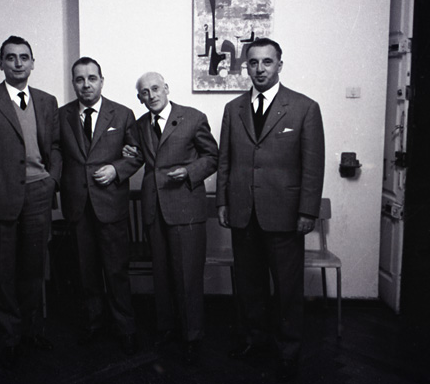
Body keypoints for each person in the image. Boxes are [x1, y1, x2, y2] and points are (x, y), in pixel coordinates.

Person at [216, 38, 325, 382]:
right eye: (253, 62)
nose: (260, 69)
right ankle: (255, 341)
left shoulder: (304, 107)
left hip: (285, 215)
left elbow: (313, 166)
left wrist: (307, 212)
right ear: (245, 67)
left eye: (267, 62)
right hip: (243, 212)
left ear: (279, 65)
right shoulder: (233, 109)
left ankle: (289, 351)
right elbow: (224, 160)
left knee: (287, 290)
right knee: (249, 286)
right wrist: (222, 202)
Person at [0, 35, 61, 370]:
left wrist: (51, 181)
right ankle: (10, 338)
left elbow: (56, 147)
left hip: (38, 196)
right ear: (1, 63)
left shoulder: (47, 101)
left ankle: (32, 331)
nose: (18, 63)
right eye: (11, 57)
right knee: (3, 272)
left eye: (24, 57)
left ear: (33, 63)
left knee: (34, 270)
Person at [123, 72, 219, 363]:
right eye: (144, 92)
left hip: (185, 208)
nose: (151, 95)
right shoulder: (140, 125)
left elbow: (212, 156)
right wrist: (128, 153)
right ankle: (166, 329)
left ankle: (192, 335)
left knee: (187, 276)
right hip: (154, 208)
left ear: (166, 89)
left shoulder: (193, 117)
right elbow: (138, 157)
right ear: (139, 98)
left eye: (155, 89)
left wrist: (189, 172)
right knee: (162, 275)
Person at [58, 57, 141, 355]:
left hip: (110, 204)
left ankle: (125, 327)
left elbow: (137, 154)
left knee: (116, 270)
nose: (86, 85)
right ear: (73, 83)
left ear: (102, 81)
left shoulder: (123, 114)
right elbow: (55, 153)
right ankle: (93, 324)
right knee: (86, 271)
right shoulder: (61, 115)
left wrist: (116, 169)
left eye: (92, 78)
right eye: (80, 79)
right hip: (77, 205)